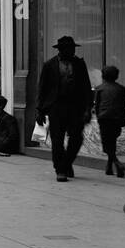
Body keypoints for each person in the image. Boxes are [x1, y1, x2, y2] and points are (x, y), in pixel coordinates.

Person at [36, 35, 93, 182]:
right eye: (70, 48)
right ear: (61, 50)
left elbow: (86, 87)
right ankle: (60, 169)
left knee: (76, 138)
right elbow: (42, 89)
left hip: (76, 107)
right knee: (57, 140)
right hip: (56, 106)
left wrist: (88, 108)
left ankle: (67, 163)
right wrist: (40, 110)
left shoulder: (79, 64)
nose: (73, 51)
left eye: (74, 48)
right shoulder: (49, 65)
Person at [92, 64, 125, 178]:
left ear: (103, 76)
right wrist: (123, 119)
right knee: (112, 143)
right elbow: (124, 106)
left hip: (105, 119)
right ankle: (109, 167)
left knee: (107, 145)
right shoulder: (121, 89)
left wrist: (98, 118)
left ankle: (117, 164)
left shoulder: (99, 89)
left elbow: (97, 106)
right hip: (117, 119)